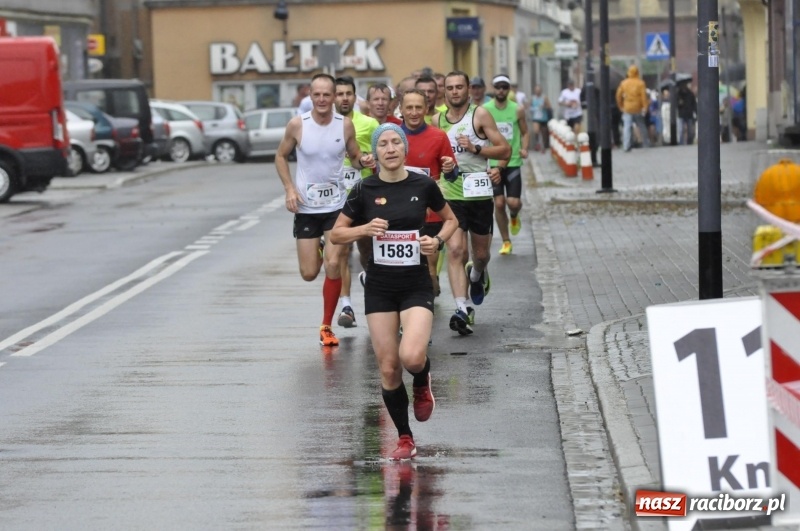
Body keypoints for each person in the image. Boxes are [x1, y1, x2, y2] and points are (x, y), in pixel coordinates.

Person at [330, 123, 457, 460]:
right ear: (376, 152)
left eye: (395, 143)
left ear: (404, 149)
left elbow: (450, 219)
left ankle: (422, 376)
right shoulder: (363, 190)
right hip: (380, 287)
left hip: (415, 283)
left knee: (411, 356)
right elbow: (337, 235)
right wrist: (363, 228)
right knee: (388, 367)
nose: (389, 149)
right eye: (383, 144)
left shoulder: (423, 184)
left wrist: (437, 241)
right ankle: (404, 438)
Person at [274, 73, 375, 347]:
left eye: (326, 95)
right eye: (316, 94)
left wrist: (364, 160)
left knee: (334, 264)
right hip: (306, 207)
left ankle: (326, 326)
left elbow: (354, 157)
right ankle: (318, 246)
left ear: (333, 97)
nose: (321, 99)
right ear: (310, 96)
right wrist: (289, 189)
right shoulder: (298, 125)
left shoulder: (345, 125)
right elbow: (281, 156)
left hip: (335, 206)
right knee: (309, 273)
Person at [433, 70, 511, 335]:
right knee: (455, 250)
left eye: (459, 87)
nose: (455, 92)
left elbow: (505, 149)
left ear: (468, 90)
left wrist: (478, 150)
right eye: (450, 88)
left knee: (480, 255)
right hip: (450, 194)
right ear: (445, 92)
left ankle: (477, 275)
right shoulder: (437, 120)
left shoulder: (479, 115)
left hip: (478, 193)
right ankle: (462, 308)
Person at [399, 88, 457, 295]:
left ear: (425, 109)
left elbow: (452, 175)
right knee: (405, 268)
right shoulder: (392, 136)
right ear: (401, 109)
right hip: (399, 212)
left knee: (429, 268)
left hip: (430, 214)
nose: (414, 112)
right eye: (409, 108)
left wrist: (450, 169)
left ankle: (425, 306)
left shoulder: (438, 136)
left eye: (418, 108)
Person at [334, 76, 379, 328]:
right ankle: (346, 306)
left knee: (366, 251)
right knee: (341, 251)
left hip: (363, 193)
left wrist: (372, 160)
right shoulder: (324, 124)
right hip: (335, 195)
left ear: (354, 97)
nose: (343, 98)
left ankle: (367, 277)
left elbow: (382, 152)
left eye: (348, 94)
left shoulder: (369, 123)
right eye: (339, 94)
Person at [484, 74, 529, 256]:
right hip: (493, 163)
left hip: (513, 162)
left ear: (509, 88)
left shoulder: (517, 109)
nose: (501, 90)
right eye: (498, 87)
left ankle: (515, 215)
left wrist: (524, 148)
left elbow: (525, 132)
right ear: (493, 88)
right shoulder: (485, 110)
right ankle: (506, 241)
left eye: (504, 87)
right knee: (499, 203)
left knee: (513, 202)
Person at [615, 65, 650, 152]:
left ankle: (626, 145)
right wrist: (645, 107)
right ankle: (646, 143)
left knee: (627, 127)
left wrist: (620, 106)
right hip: (638, 108)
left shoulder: (624, 83)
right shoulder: (640, 83)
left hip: (627, 108)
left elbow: (618, 96)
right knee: (641, 126)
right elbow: (643, 97)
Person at [529, 84, 552, 151]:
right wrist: (533, 109)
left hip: (544, 118)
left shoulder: (544, 97)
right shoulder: (532, 98)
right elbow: (529, 107)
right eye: (536, 90)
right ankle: (537, 144)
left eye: (539, 90)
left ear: (541, 91)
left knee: (544, 132)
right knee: (536, 131)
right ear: (534, 91)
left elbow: (549, 106)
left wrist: (544, 106)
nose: (537, 92)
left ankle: (544, 146)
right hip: (536, 118)